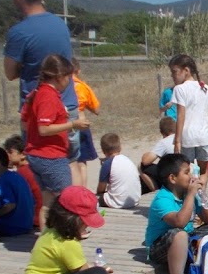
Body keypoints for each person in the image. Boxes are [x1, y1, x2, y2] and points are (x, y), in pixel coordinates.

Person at [4, 0, 81, 168]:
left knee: (40, 167)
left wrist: (27, 67)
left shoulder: (19, 32)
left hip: (38, 110)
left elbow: (10, 73)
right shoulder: (60, 25)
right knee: (71, 163)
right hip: (68, 104)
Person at [21, 54, 89, 225]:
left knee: (47, 203)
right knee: (66, 200)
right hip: (50, 156)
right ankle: (65, 234)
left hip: (37, 154)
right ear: (59, 76)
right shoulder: (48, 96)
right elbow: (44, 128)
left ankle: (45, 237)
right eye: (68, 77)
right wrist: (73, 124)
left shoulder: (37, 93)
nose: (69, 82)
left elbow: (24, 123)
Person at [170, 54, 208, 186]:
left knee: (187, 171)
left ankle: (190, 196)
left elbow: (181, 115)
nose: (173, 76)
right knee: (204, 171)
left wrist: (177, 141)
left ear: (186, 70)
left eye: (175, 72)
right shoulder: (205, 87)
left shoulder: (180, 89)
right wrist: (203, 116)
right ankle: (202, 195)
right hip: (203, 136)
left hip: (187, 137)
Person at [3, 135, 43, 230]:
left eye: (10, 152)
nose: (7, 156)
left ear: (23, 154)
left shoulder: (22, 172)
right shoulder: (32, 168)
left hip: (34, 218)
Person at [72, 58, 101, 187]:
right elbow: (96, 109)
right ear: (78, 71)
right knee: (81, 163)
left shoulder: (59, 87)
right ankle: (82, 191)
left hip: (64, 125)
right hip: (81, 123)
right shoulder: (82, 87)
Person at [96, 133, 141, 210]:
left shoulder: (107, 164)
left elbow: (101, 189)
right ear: (120, 147)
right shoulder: (127, 160)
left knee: (93, 198)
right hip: (134, 200)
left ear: (103, 151)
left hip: (118, 202)